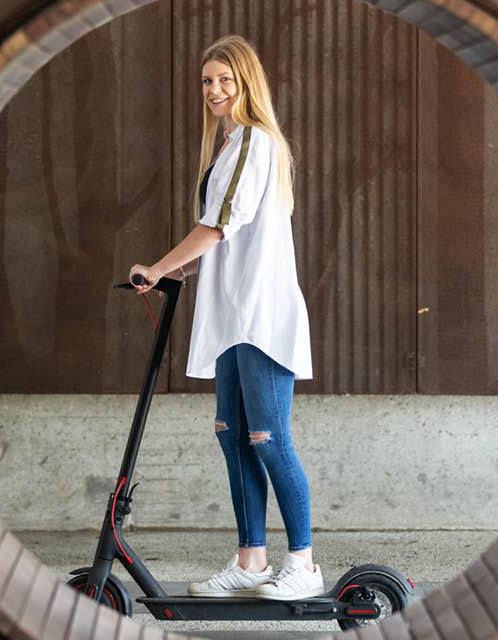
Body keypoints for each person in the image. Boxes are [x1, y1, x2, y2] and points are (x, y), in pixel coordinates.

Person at [128, 35, 320, 601]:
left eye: (225, 80)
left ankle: (304, 564)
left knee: (268, 438)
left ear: (246, 84)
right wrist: (183, 271)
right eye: (207, 81)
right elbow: (227, 237)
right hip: (232, 314)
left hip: (260, 315)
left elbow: (219, 225)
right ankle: (251, 560)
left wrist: (159, 265)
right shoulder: (230, 145)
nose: (214, 90)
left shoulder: (255, 142)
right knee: (232, 436)